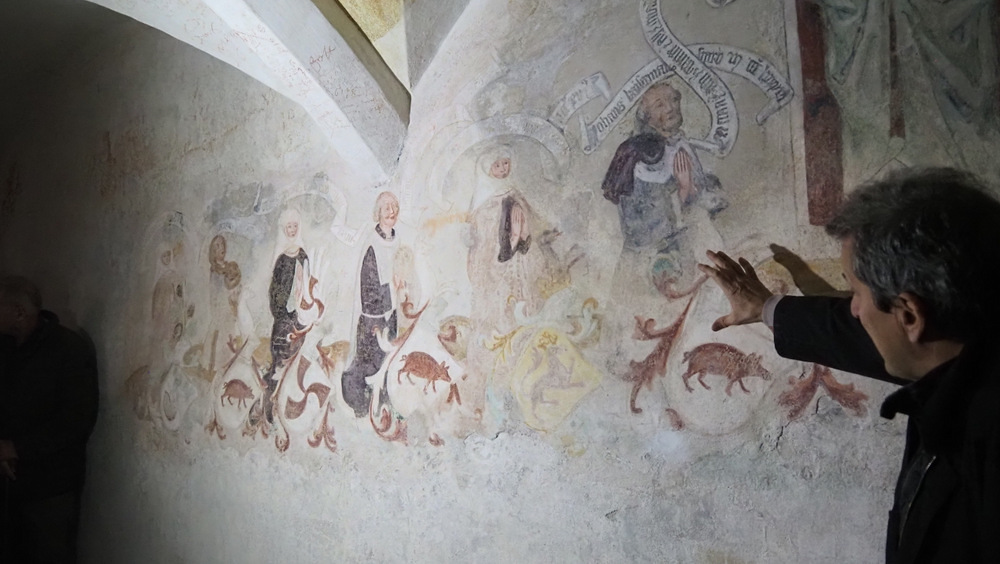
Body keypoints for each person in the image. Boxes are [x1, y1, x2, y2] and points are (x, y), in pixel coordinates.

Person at [699, 167, 1000, 563]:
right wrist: (768, 308)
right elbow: (863, 335)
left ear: (910, 314)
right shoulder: (961, 350)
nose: (853, 310)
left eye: (855, 293)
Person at [0, 276, 99, 563]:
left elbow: (76, 421)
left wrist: (15, 448)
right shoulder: (6, 345)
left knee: (48, 553)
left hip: (51, 487)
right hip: (12, 480)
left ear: (19, 312)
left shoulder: (68, 350)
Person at [602, 82, 727, 289]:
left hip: (692, 249)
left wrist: (695, 191)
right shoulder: (637, 155)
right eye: (659, 105)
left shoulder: (680, 144)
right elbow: (638, 225)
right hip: (655, 263)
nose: (670, 108)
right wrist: (683, 191)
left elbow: (700, 193)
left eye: (674, 100)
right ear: (647, 116)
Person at [342, 192, 402, 418]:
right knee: (370, 366)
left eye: (394, 207)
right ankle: (362, 406)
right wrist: (393, 289)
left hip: (393, 316)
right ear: (378, 213)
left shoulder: (398, 240)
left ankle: (386, 408)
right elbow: (368, 290)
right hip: (373, 321)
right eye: (386, 208)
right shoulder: (372, 245)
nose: (391, 212)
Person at [263, 209, 322, 425]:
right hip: (283, 321)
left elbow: (308, 286)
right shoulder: (281, 259)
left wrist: (305, 304)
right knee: (280, 363)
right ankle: (269, 402)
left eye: (295, 226)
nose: (292, 230)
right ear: (284, 229)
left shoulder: (303, 255)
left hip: (300, 318)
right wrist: (283, 313)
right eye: (289, 226)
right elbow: (274, 292)